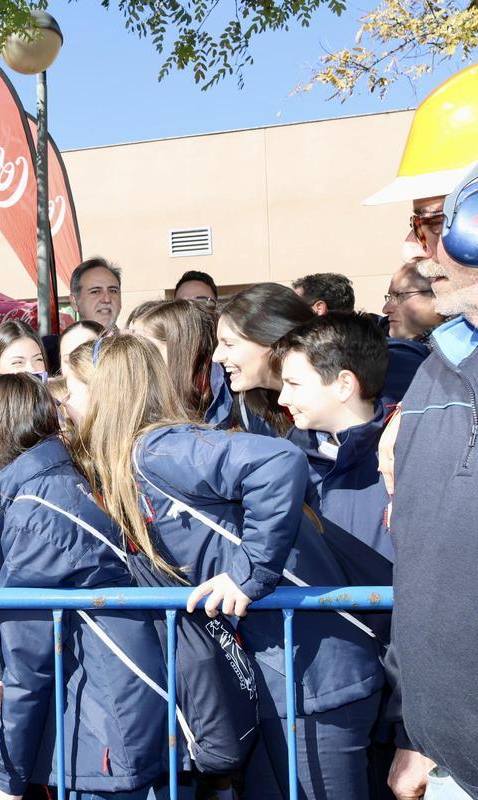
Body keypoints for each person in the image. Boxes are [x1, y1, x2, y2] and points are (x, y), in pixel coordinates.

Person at [73, 335, 383, 800]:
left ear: (105, 394)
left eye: (72, 391)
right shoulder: (134, 462)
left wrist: (248, 572)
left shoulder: (158, 448)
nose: (64, 404)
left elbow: (278, 461)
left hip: (315, 675)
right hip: (272, 677)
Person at [0, 374, 171, 799]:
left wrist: (8, 781)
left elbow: (29, 660)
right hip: (108, 707)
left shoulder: (36, 511)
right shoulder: (49, 486)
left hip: (106, 716)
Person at [363, 63, 478, 800]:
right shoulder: (435, 376)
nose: (417, 247)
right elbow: (429, 577)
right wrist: (415, 730)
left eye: (434, 220)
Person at [275, 314, 395, 573]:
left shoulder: (404, 452)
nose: (282, 399)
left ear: (344, 385)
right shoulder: (287, 458)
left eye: (294, 384)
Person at [213, 283, 315, 436]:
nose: (216, 357)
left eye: (229, 344)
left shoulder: (334, 403)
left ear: (274, 339)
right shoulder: (248, 408)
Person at [126, 298, 228, 424]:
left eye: (144, 348)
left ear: (180, 350)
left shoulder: (226, 403)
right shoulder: (134, 400)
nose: (133, 357)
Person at [382, 262, 446, 342]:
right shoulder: (373, 336)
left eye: (399, 295)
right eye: (390, 297)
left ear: (439, 295)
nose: (385, 309)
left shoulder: (460, 350)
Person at [68, 256, 122, 328]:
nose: (107, 299)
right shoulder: (63, 339)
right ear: (74, 301)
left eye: (113, 291)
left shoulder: (137, 339)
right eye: (96, 292)